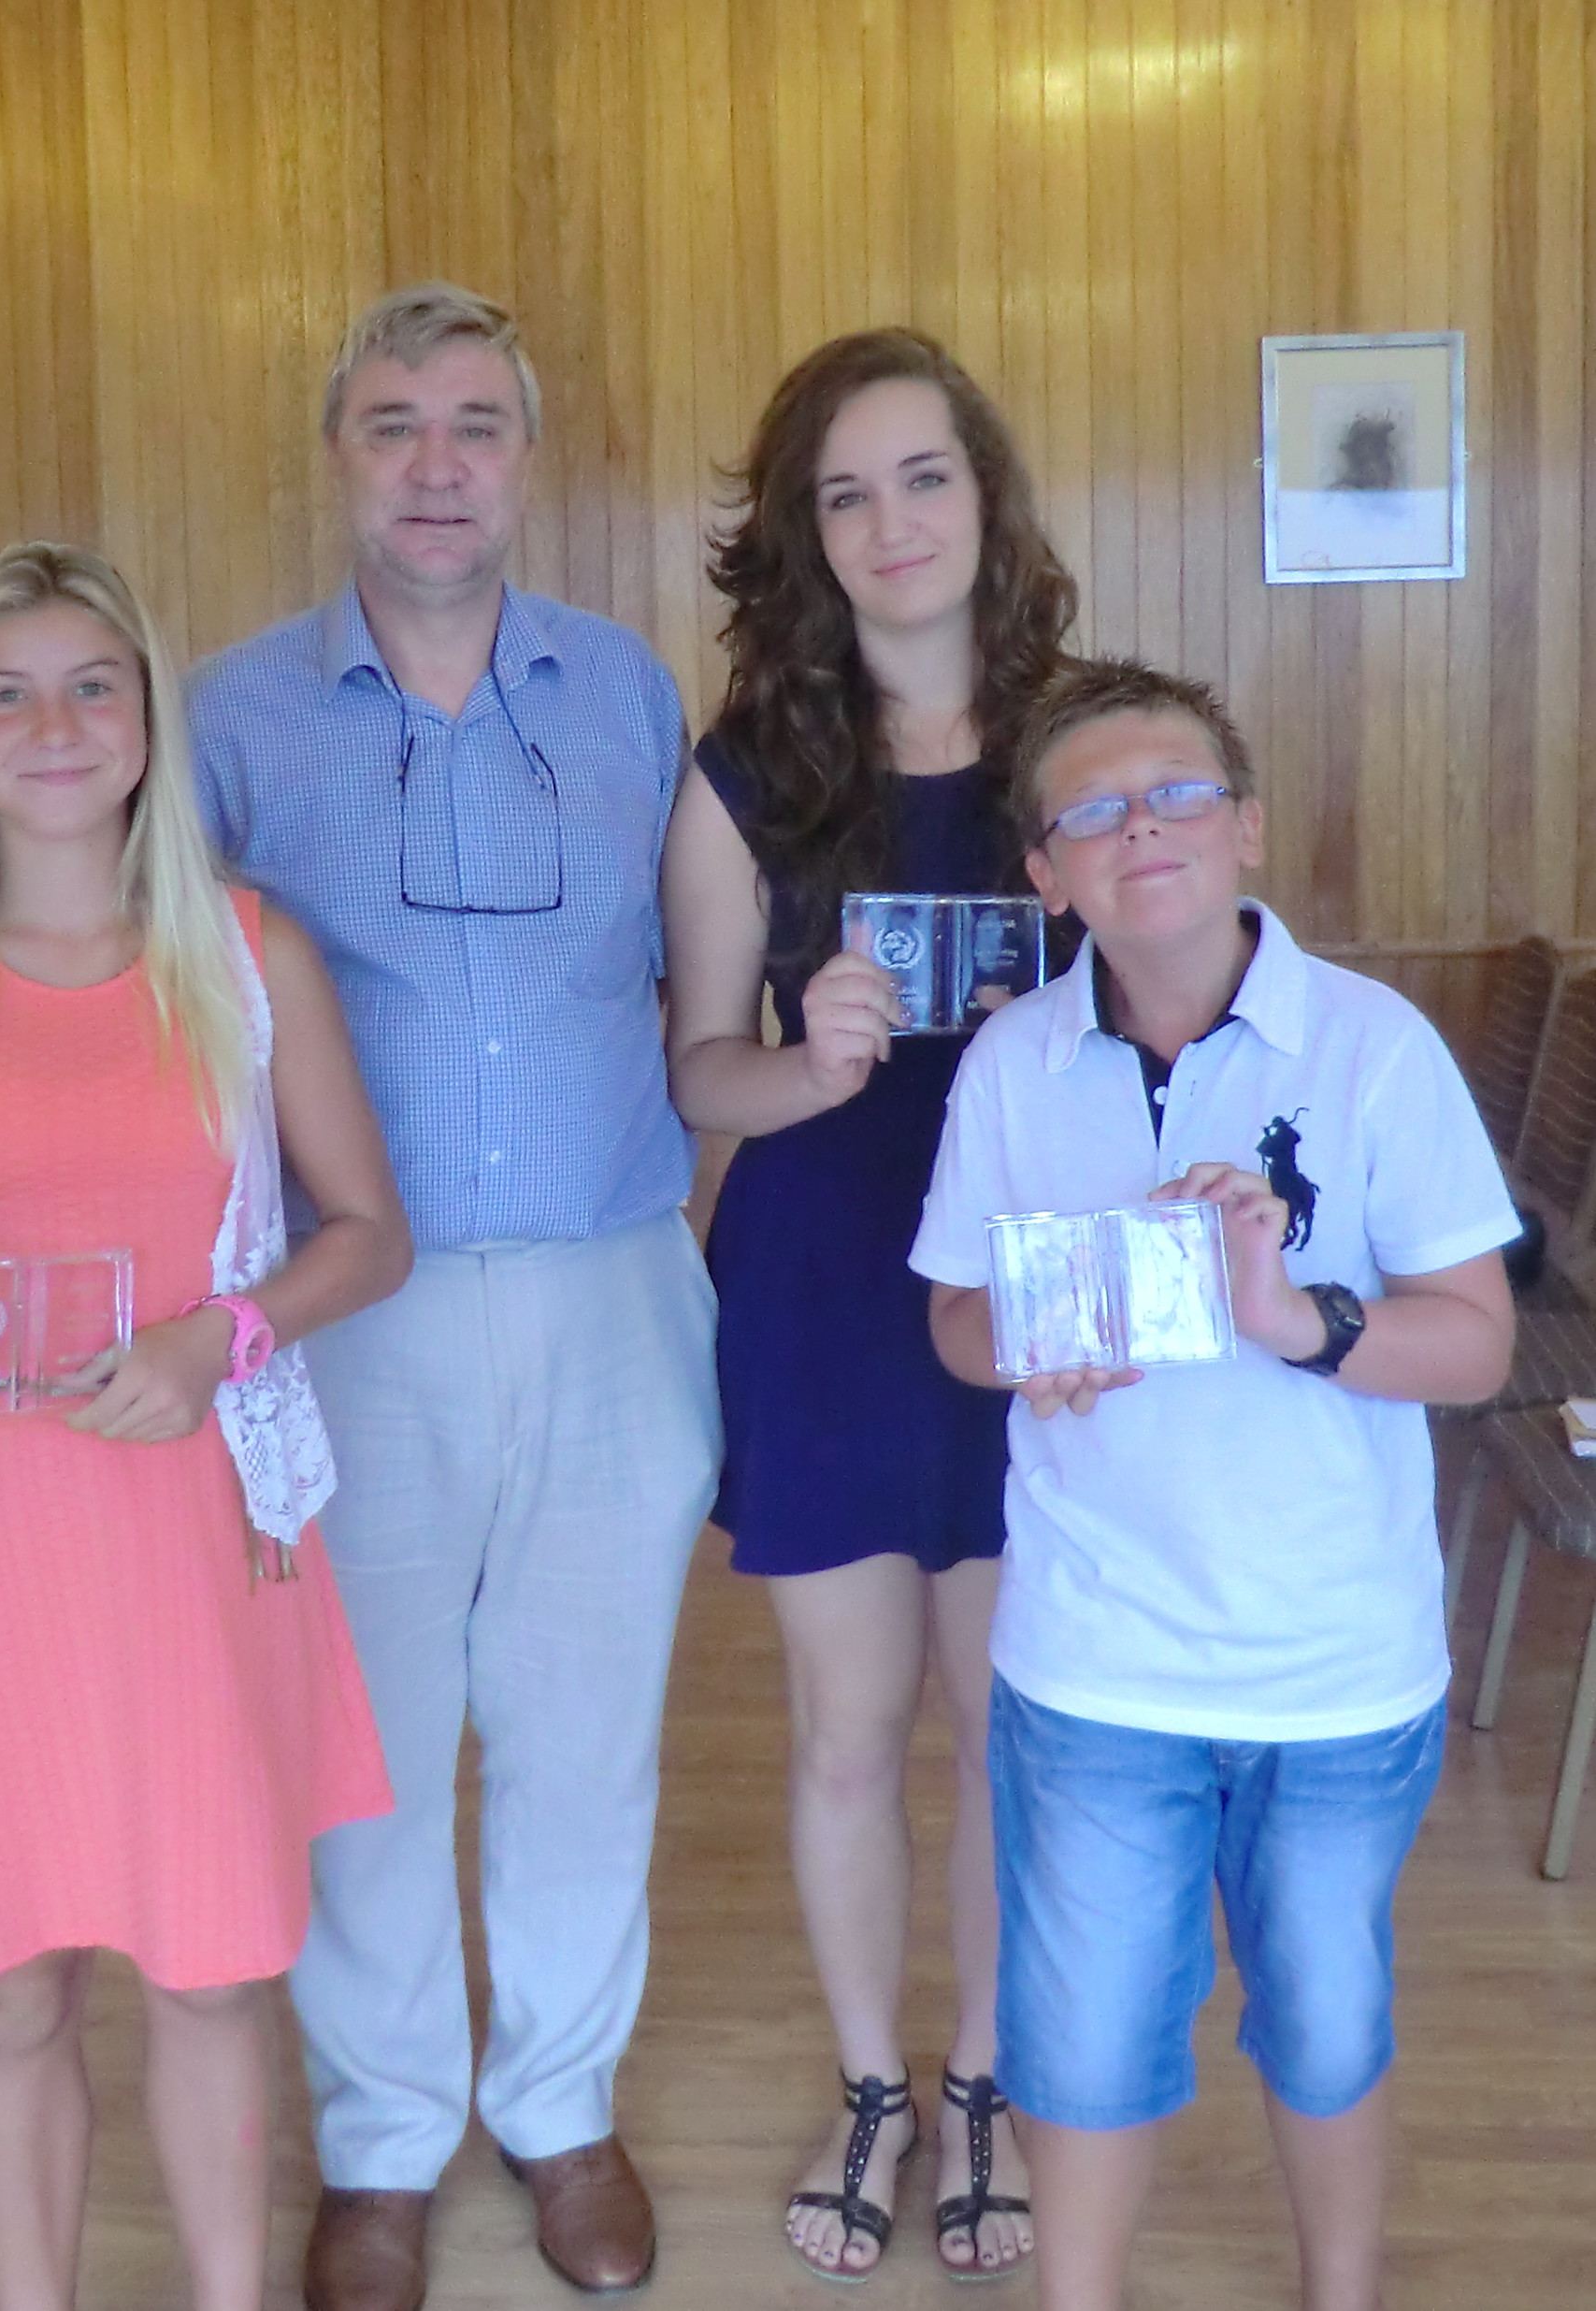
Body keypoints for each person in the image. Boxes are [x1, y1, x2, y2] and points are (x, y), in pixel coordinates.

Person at [0, 541, 410, 2311]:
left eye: (91, 687)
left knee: (209, 1970)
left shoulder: (249, 957)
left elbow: (370, 1234)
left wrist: (223, 1338)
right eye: (8, 693)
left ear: (146, 722)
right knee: (11, 1985)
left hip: (196, 1525)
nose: (53, 725)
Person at [188, 283, 722, 2311]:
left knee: (587, 1739)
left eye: (475, 425)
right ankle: (382, 2142)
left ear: (526, 460)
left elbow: (700, 992)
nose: (436, 466)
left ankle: (561, 2109)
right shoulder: (228, 717)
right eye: (394, 425)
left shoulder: (629, 695)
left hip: (610, 1285)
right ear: (338, 456)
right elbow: (167, 1021)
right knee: (369, 1748)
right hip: (349, 1306)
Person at [913, 657, 1517, 2311]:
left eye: (1177, 794)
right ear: (1044, 874)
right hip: (1094, 1661)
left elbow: (1474, 1344)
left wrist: (1294, 1318)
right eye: (1092, 813)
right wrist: (1022, 1344)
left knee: (1322, 2024)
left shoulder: (1372, 1048)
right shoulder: (1012, 1063)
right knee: (1083, 2040)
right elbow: (954, 1321)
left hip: (1335, 1667)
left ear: (1244, 826)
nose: (1141, 829)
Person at [661, 326, 1074, 2283]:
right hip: (822, 1280)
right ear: (803, 534)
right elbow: (698, 1077)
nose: (891, 522)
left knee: (1000, 1725)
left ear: (985, 500)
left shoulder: (1085, 748)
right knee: (846, 1731)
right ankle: (868, 2088)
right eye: (844, 492)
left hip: (1027, 1299)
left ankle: (981, 2082)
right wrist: (803, 1059)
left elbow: (1190, 1016)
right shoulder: (747, 774)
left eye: (923, 476)